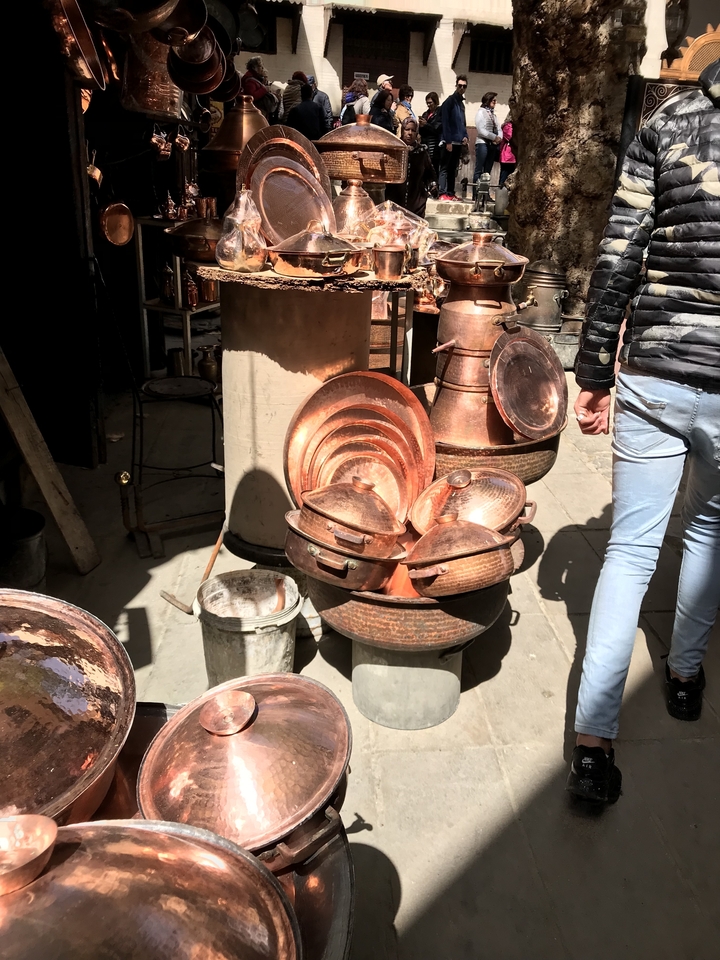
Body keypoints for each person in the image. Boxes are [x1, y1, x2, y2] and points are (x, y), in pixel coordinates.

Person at [565, 57, 720, 806]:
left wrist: (594, 370)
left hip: (655, 371)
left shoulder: (667, 120)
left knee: (629, 552)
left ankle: (592, 747)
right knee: (709, 529)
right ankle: (684, 676)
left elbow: (620, 251)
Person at [385, 118, 436, 218]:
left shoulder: (421, 152)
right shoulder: (395, 149)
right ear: (402, 130)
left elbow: (429, 172)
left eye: (413, 130)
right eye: (407, 129)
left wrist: (432, 185)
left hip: (416, 201)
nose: (410, 133)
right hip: (395, 198)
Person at [438, 75, 468, 199]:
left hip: (459, 141)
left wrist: (465, 136)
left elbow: (462, 122)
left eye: (464, 86)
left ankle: (450, 193)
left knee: (453, 168)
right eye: (460, 85)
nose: (462, 88)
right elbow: (445, 122)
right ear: (456, 85)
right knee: (445, 167)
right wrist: (448, 141)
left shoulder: (461, 104)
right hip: (449, 141)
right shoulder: (449, 101)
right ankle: (442, 192)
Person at [474, 92, 501, 192]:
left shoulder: (494, 115)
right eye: (493, 100)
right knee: (479, 169)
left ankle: (485, 193)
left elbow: (499, 128)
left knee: (487, 171)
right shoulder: (481, 112)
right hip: (482, 143)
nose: (495, 102)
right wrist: (494, 137)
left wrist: (499, 138)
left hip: (492, 144)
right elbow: (481, 130)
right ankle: (476, 193)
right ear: (488, 100)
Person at [419, 92, 442, 176]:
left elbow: (437, 129)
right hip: (426, 145)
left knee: (434, 170)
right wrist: (421, 126)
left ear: (435, 102)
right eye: (427, 103)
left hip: (435, 146)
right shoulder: (425, 114)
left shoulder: (440, 113)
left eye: (430, 103)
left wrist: (426, 125)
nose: (428, 105)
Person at [498, 115, 516, 186]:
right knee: (504, 175)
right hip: (507, 155)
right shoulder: (508, 126)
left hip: (512, 155)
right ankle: (501, 189)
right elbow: (510, 137)